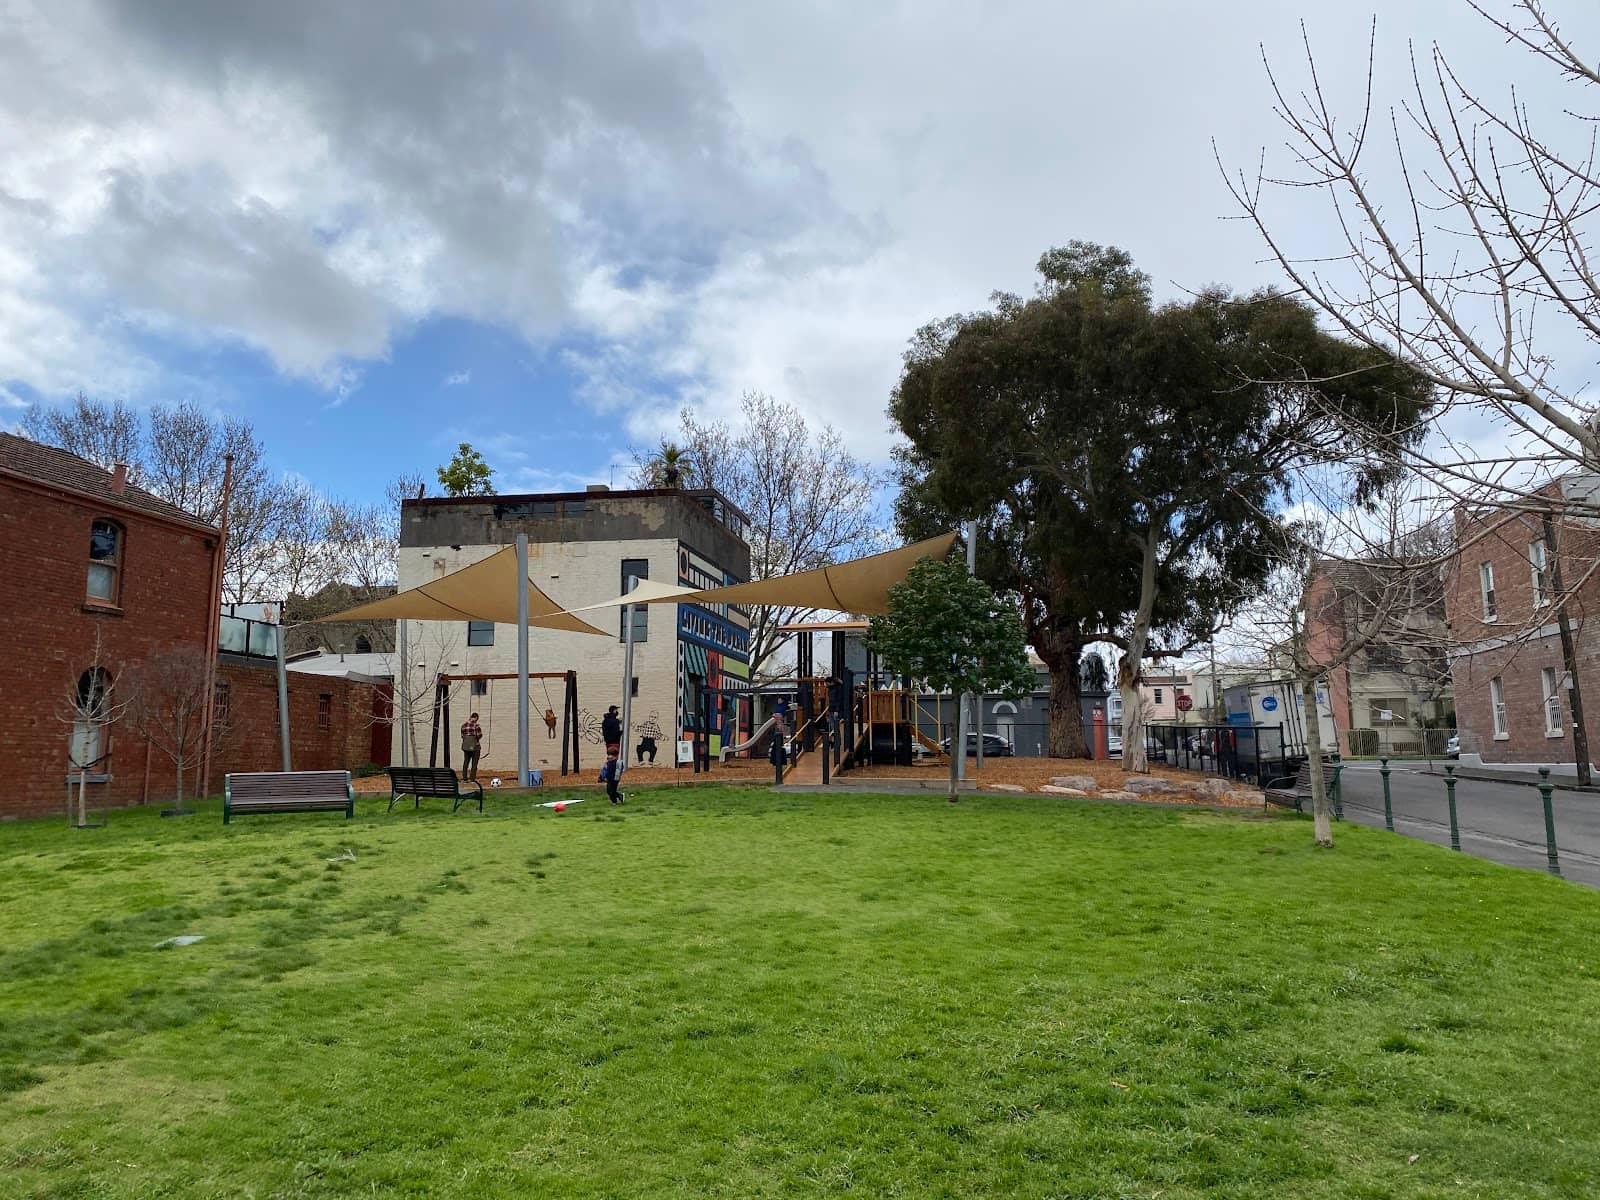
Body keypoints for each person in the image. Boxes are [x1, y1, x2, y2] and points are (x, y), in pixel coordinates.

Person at [460, 712, 483, 781]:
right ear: (476, 718)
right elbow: (479, 735)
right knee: (474, 763)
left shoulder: (463, 725)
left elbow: (462, 736)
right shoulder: (476, 726)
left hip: (466, 747)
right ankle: (472, 778)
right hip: (475, 747)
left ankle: (464, 778)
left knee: (466, 762)